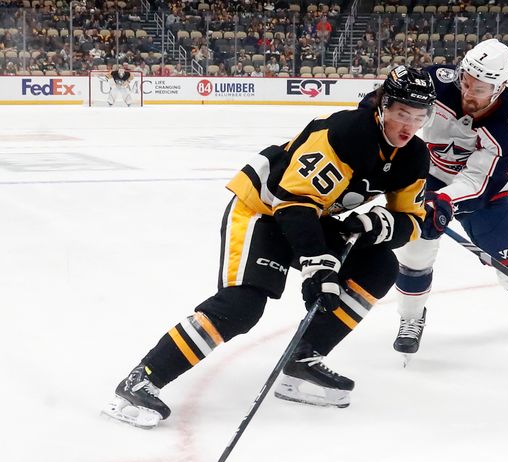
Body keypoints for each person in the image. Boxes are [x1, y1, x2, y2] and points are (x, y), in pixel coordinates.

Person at [102, 66, 437, 428]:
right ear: (383, 105)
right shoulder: (347, 132)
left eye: (419, 117)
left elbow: (412, 220)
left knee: (380, 266)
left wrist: (379, 225)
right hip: (262, 209)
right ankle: (143, 378)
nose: (409, 126)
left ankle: (303, 358)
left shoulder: (414, 156)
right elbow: (292, 201)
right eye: (402, 113)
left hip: (310, 216)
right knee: (241, 306)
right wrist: (317, 266)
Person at [362, 39, 508, 357]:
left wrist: (443, 201)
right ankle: (411, 318)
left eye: (479, 89)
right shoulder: (438, 83)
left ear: (499, 87)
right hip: (427, 178)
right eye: (465, 82)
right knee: (415, 255)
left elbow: (478, 181)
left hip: (485, 194)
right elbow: (391, 102)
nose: (467, 93)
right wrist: (368, 113)